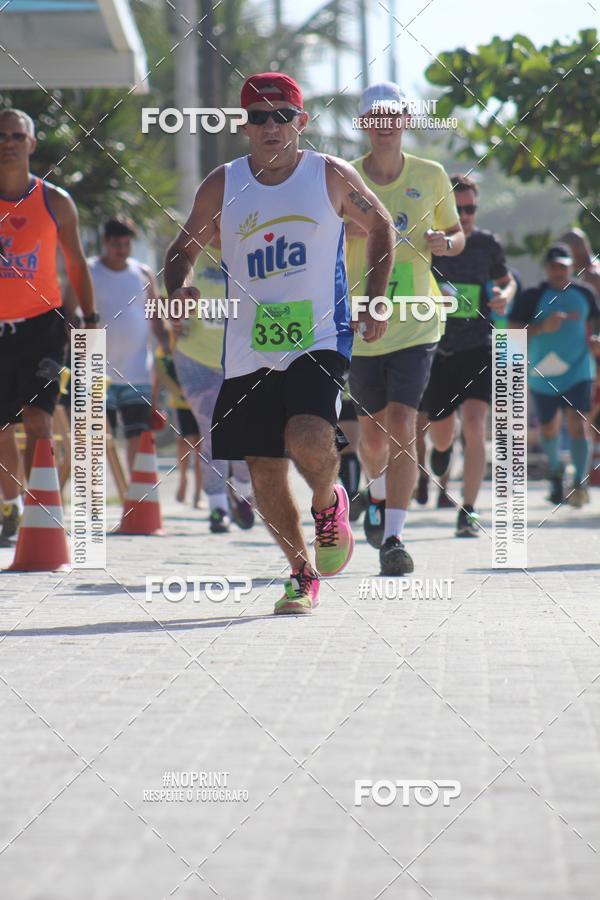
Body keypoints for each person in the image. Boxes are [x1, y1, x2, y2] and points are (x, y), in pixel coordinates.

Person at [164, 72, 394, 614]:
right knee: (263, 467)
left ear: (301, 122)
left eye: (282, 116)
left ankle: (326, 502)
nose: (272, 127)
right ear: (244, 125)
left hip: (320, 333)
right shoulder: (222, 184)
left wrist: (375, 299)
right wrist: (179, 287)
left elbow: (382, 226)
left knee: (309, 434)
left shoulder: (328, 176)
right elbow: (181, 250)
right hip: (248, 345)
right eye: (260, 117)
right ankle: (301, 573)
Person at [346, 82, 465, 575]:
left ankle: (394, 536)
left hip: (418, 319)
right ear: (364, 124)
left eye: (392, 115)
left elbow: (458, 235)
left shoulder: (432, 175)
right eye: (375, 116)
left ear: (406, 120)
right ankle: (375, 497)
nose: (384, 124)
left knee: (403, 423)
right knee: (371, 439)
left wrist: (445, 243)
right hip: (359, 320)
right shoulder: (344, 177)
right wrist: (341, 228)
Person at [0, 108, 97, 542]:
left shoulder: (54, 200)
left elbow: (75, 264)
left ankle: (44, 508)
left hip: (44, 324)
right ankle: (11, 506)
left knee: (39, 416)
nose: (8, 143)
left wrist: (89, 320)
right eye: (1, 136)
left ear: (31, 143)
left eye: (17, 136)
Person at [421, 175, 516, 536]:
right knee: (442, 434)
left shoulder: (487, 244)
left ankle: (470, 510)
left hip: (479, 345)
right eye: (457, 210)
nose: (465, 216)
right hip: (438, 346)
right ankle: (442, 453)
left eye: (470, 208)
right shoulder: (428, 244)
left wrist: (506, 294)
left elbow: (507, 280)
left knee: (477, 424)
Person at [172, 239, 255, 532]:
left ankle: (243, 492)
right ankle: (218, 507)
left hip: (241, 359)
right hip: (197, 358)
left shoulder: (250, 247)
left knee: (242, 432)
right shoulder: (193, 254)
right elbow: (170, 294)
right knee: (211, 428)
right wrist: (175, 312)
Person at [509, 243, 600, 506]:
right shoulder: (531, 296)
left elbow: (595, 323)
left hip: (579, 370)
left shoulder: (585, 293)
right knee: (548, 427)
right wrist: (541, 328)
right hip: (542, 373)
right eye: (553, 266)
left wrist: (595, 340)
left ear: (571, 267)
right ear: (545, 269)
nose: (558, 271)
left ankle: (579, 482)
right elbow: (512, 333)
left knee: (577, 422)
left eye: (563, 266)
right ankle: (556, 473)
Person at [85, 217, 169, 474]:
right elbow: (69, 312)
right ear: (105, 243)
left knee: (139, 434)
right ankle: (96, 499)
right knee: (98, 440)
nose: (121, 249)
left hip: (137, 370)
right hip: (99, 371)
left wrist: (167, 346)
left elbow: (155, 317)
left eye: (126, 244)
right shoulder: (89, 271)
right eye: (116, 244)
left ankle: (137, 495)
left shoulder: (142, 273)